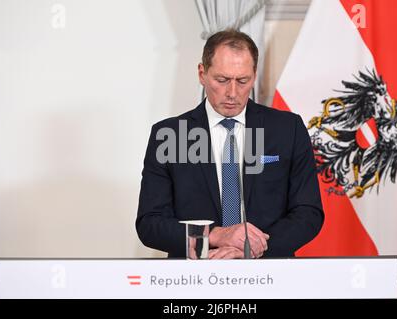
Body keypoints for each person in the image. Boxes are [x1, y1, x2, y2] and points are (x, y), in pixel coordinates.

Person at [136, 29, 324, 259]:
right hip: (193, 280)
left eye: (242, 81)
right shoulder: (168, 135)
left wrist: (250, 249)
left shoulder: (288, 129)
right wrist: (213, 236)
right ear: (202, 73)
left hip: (269, 277)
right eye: (222, 80)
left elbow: (308, 212)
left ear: (254, 75)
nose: (232, 92)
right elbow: (150, 223)